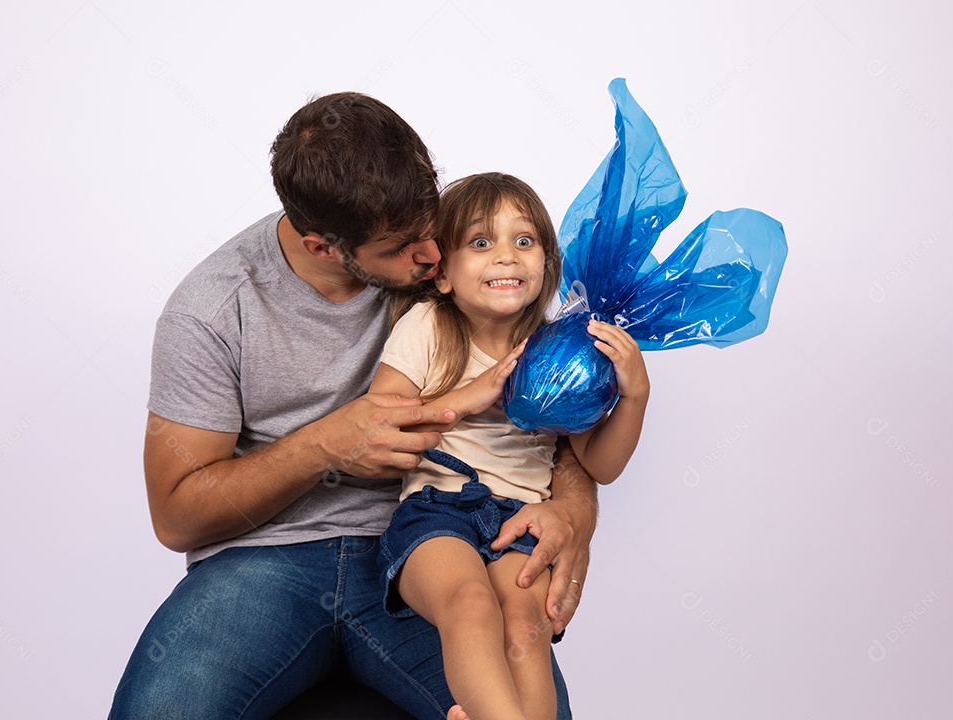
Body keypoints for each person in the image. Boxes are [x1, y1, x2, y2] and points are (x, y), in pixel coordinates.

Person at [108, 92, 598, 720]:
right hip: (263, 563)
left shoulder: (455, 259)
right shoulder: (210, 309)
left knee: (535, 711)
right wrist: (321, 446)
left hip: (433, 547)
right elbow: (176, 516)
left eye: (430, 223)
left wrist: (572, 510)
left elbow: (543, 396)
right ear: (322, 247)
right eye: (401, 246)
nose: (430, 256)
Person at [370, 173, 650, 720]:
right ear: (443, 274)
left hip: (519, 520)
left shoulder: (560, 349)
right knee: (470, 605)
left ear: (547, 264)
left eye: (524, 242)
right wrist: (469, 396)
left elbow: (599, 464)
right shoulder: (428, 325)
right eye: (481, 242)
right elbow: (380, 427)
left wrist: (634, 395)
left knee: (525, 622)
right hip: (435, 512)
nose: (506, 257)